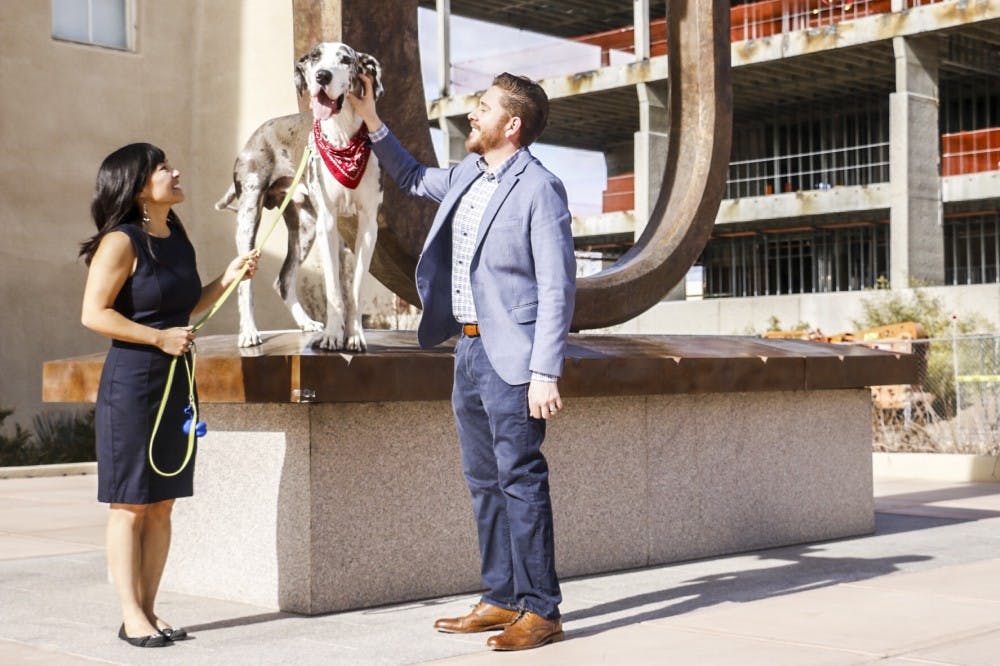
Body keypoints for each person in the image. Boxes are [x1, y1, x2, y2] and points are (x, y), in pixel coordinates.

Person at [349, 72, 576, 651]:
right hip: (468, 349)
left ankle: (541, 609)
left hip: (513, 358)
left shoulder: (539, 188)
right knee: (483, 480)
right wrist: (371, 119)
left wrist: (544, 371)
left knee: (520, 480)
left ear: (512, 124)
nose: (473, 116)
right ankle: (500, 597)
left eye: (483, 108)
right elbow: (411, 176)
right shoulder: (470, 174)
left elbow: (557, 288)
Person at [80, 143, 258, 648]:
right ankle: (130, 613)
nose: (176, 172)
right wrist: (158, 338)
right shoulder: (121, 241)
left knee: (162, 504)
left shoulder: (176, 237)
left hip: (176, 382)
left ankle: (150, 611)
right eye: (163, 168)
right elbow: (95, 313)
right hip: (133, 383)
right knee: (130, 504)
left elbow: (186, 306)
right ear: (138, 187)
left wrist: (228, 276)